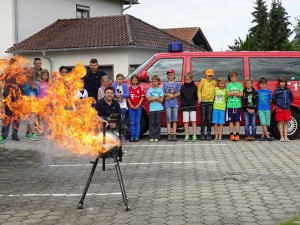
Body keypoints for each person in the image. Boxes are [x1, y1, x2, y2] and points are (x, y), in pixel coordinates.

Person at [272, 76, 294, 142]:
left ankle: (286, 137)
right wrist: (278, 104)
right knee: (280, 122)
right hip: (280, 109)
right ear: (279, 83)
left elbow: (291, 98)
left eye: (283, 82)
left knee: (286, 122)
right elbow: (274, 99)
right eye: (281, 82)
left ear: (285, 83)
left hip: (287, 108)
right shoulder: (277, 90)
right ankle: (281, 137)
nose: (282, 83)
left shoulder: (288, 90)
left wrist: (288, 103)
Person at [197, 68, 216, 141]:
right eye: (208, 75)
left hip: (211, 102)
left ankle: (208, 133)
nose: (209, 77)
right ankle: (202, 133)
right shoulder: (203, 81)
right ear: (206, 75)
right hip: (203, 102)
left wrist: (214, 99)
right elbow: (199, 91)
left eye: (211, 76)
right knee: (203, 118)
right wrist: (199, 98)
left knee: (209, 118)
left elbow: (215, 91)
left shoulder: (214, 82)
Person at [163, 69, 181, 141]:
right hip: (168, 104)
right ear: (167, 76)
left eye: (171, 75)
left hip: (175, 103)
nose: (170, 76)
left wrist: (173, 96)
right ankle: (169, 134)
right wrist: (168, 94)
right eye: (169, 75)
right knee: (168, 120)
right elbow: (163, 93)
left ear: (174, 75)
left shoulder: (177, 84)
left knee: (175, 119)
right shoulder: (165, 84)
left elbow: (179, 93)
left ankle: (174, 134)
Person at [226, 70, 243, 141]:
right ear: (230, 77)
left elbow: (241, 94)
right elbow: (228, 94)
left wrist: (232, 92)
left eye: (235, 77)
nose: (233, 78)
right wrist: (236, 92)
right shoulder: (228, 85)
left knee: (237, 121)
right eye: (232, 77)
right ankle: (231, 134)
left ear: (237, 77)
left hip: (237, 106)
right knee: (231, 121)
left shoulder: (240, 85)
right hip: (230, 105)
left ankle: (237, 134)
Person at [23, 67, 39, 141]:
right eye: (29, 72)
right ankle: (33, 133)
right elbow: (23, 91)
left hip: (34, 101)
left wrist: (35, 88)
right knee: (31, 118)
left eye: (32, 73)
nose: (31, 74)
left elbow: (37, 93)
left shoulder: (35, 82)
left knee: (31, 117)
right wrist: (29, 85)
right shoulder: (24, 81)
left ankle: (27, 133)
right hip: (27, 102)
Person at [180, 73, 197, 142]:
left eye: (188, 80)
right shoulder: (182, 87)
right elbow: (181, 97)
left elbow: (196, 96)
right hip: (185, 106)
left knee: (193, 121)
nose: (187, 81)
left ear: (191, 79)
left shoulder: (195, 87)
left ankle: (194, 135)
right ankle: (187, 135)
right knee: (186, 121)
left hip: (192, 106)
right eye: (186, 80)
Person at [127, 75, 145, 142]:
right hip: (131, 107)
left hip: (138, 107)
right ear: (131, 80)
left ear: (138, 81)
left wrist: (138, 105)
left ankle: (137, 136)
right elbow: (128, 97)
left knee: (137, 121)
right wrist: (130, 105)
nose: (134, 81)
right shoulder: (129, 88)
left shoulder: (140, 87)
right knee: (132, 122)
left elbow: (142, 97)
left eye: (136, 80)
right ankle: (132, 136)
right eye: (133, 80)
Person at [112, 73, 129, 140]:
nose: (119, 80)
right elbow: (112, 93)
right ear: (116, 80)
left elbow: (127, 94)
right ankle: (115, 135)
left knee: (123, 120)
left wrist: (121, 95)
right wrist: (116, 94)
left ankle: (123, 135)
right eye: (118, 79)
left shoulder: (125, 86)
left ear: (123, 80)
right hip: (115, 105)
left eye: (121, 79)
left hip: (123, 105)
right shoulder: (114, 85)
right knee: (115, 120)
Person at [147, 75, 164, 142]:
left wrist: (153, 98)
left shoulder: (160, 90)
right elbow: (148, 99)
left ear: (158, 82)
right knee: (151, 123)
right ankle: (151, 137)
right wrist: (157, 98)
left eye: (155, 81)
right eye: (153, 81)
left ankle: (157, 137)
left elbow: (161, 100)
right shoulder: (149, 90)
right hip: (152, 109)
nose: (154, 82)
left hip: (159, 109)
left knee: (158, 123)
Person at [257, 77, 273, 141]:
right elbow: (257, 101)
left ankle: (263, 136)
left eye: (263, 84)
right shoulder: (258, 92)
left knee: (266, 123)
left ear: (266, 84)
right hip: (261, 109)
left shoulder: (269, 91)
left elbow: (270, 100)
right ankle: (268, 136)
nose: (262, 86)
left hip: (267, 109)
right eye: (260, 84)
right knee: (263, 123)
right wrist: (257, 110)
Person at [212, 77, 227, 141]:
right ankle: (216, 136)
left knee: (221, 123)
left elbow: (226, 98)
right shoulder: (215, 89)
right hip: (215, 108)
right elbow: (213, 97)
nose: (221, 84)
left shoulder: (226, 91)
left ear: (224, 84)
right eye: (220, 83)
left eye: (222, 83)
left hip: (222, 108)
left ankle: (220, 136)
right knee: (215, 123)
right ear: (218, 83)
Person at [37, 69, 50, 135]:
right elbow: (37, 92)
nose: (45, 76)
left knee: (47, 117)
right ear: (41, 75)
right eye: (43, 75)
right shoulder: (39, 83)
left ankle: (47, 130)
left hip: (47, 102)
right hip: (40, 102)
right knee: (40, 117)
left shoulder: (49, 83)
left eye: (46, 75)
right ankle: (40, 130)